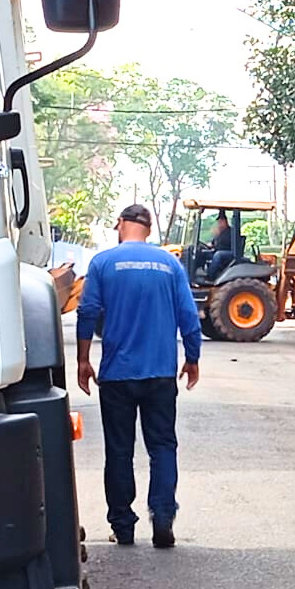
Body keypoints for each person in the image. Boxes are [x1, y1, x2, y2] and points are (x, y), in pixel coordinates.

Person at [76, 204, 203, 549]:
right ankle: (163, 515)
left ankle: (123, 525)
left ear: (121, 225)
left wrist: (83, 360)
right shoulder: (170, 264)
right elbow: (189, 317)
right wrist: (192, 358)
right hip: (161, 374)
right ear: (148, 228)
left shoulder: (103, 263)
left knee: (119, 450)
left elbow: (88, 312)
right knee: (162, 446)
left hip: (117, 375)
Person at [206, 211, 235, 280]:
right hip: (219, 251)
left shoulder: (231, 232)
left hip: (230, 253)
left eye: (221, 221)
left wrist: (218, 234)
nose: (219, 223)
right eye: (219, 222)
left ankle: (210, 277)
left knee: (218, 255)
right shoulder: (220, 232)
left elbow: (225, 243)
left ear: (225, 221)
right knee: (205, 253)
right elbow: (213, 243)